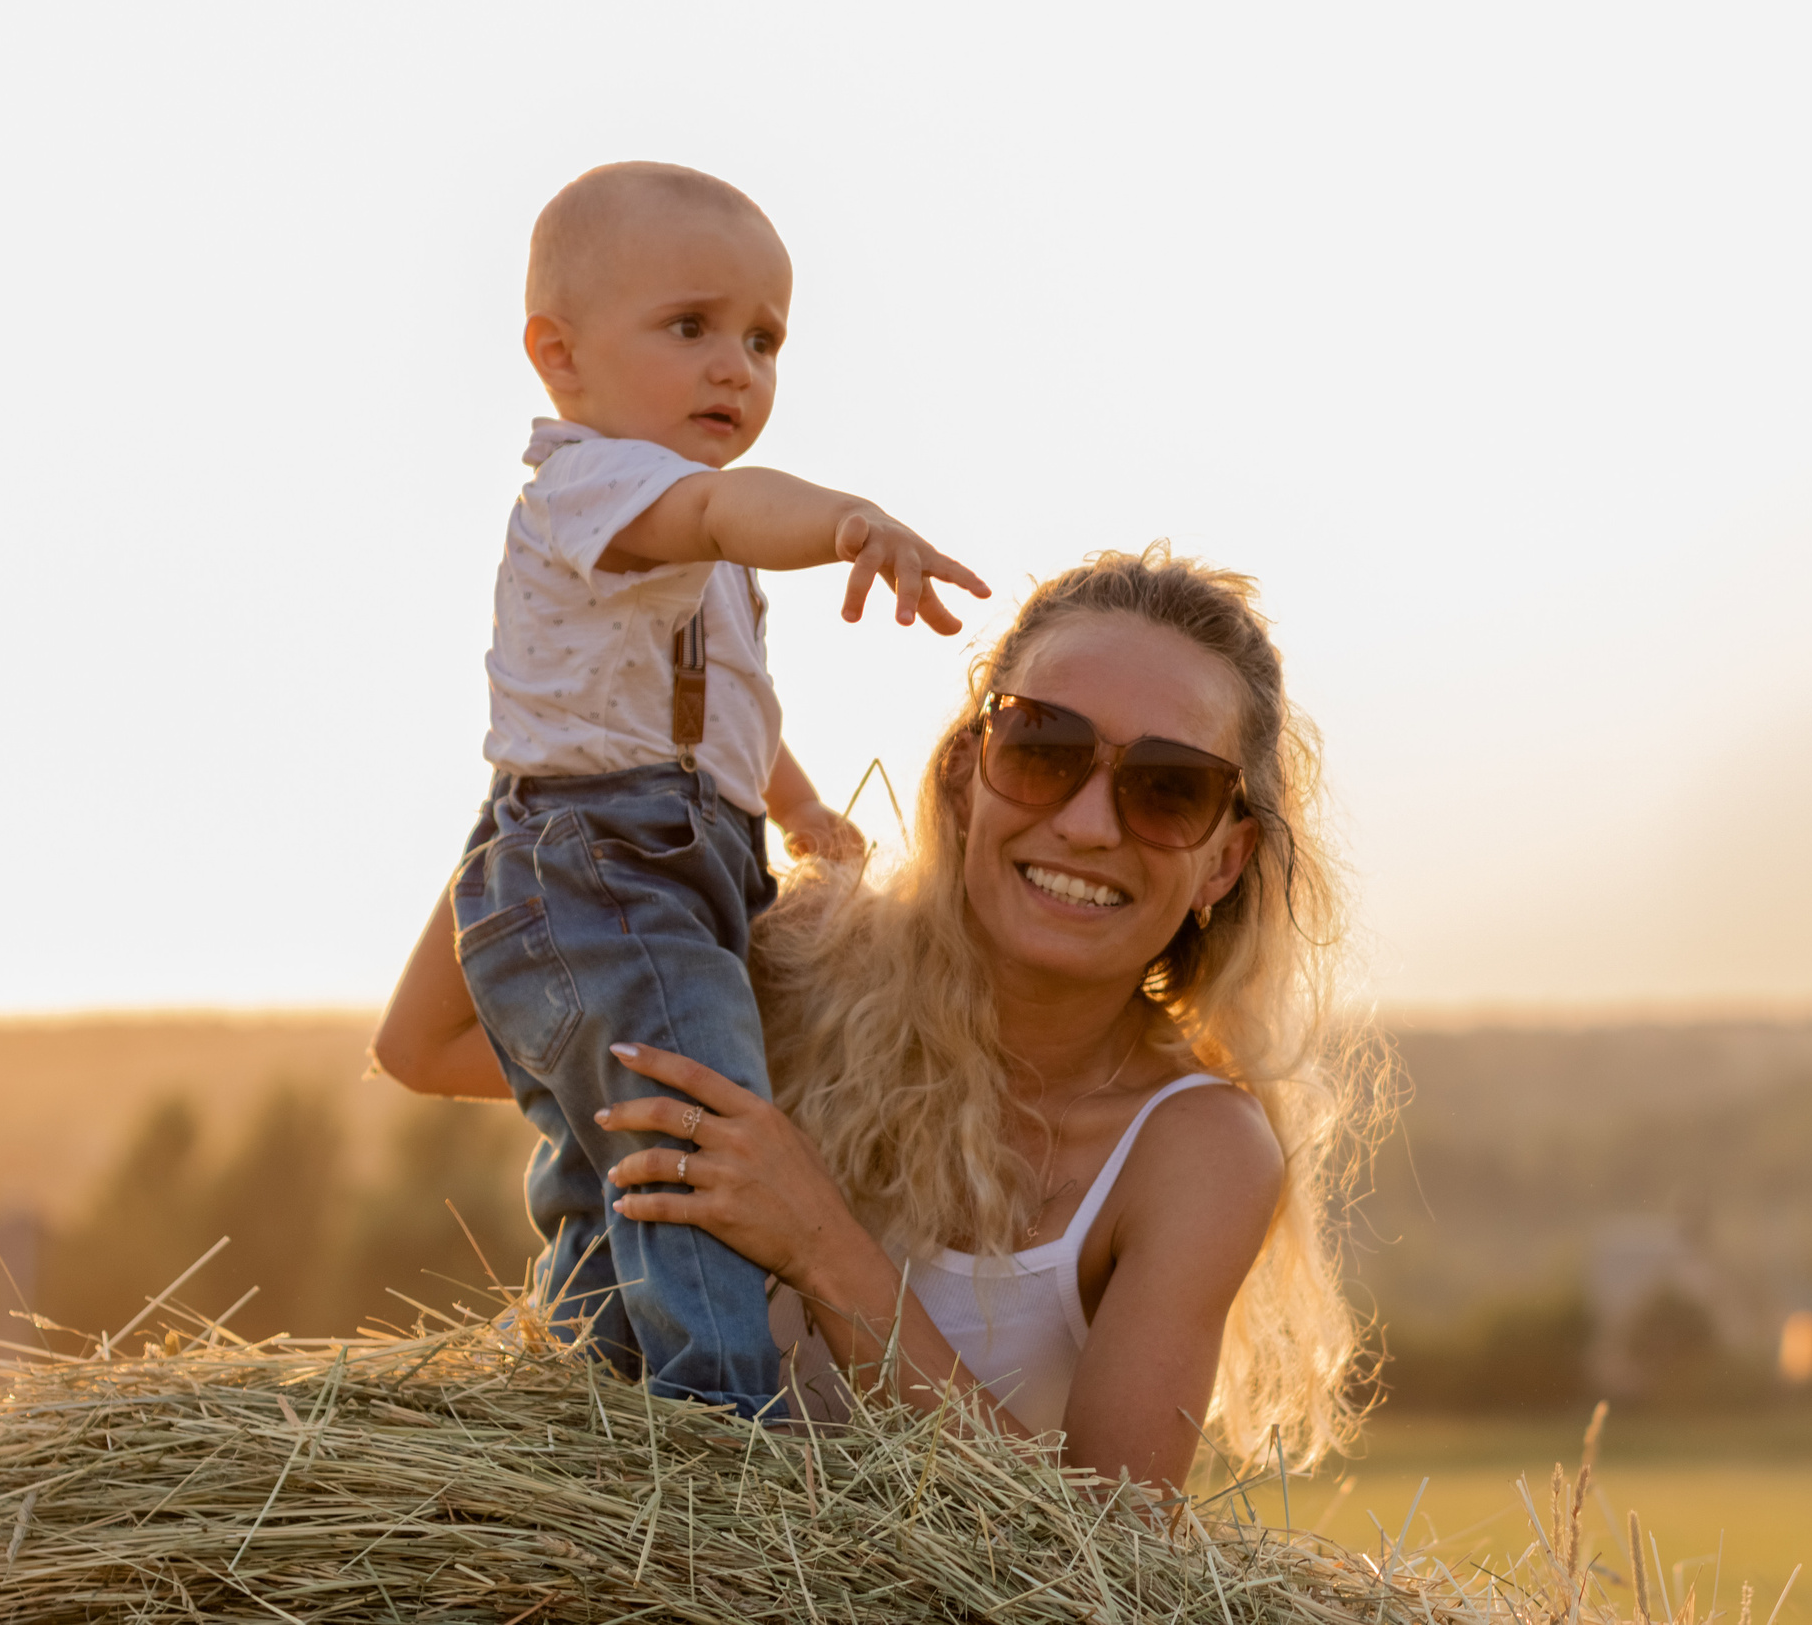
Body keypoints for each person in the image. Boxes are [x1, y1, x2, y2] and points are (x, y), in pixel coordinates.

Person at [376, 548, 1375, 1487]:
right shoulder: (795, 966)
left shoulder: (1196, 1150)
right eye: (1043, 748)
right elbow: (430, 1043)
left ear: (1224, 860)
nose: (1085, 822)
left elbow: (1113, 1560)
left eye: (1168, 789)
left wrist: (822, 1247)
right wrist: (559, 758)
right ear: (963, 774)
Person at [417, 160, 988, 1419]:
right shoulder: (596, 486)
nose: (737, 367)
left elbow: (716, 716)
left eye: (764, 339)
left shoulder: (683, 541)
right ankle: (726, 1427)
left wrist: (791, 808)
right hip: (603, 860)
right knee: (700, 1127)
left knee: (617, 1156)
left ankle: (600, 1388)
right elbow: (732, 511)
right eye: (691, 328)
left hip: (664, 856)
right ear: (557, 358)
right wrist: (847, 519)